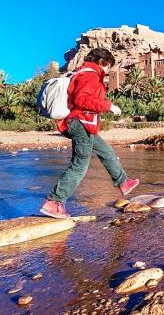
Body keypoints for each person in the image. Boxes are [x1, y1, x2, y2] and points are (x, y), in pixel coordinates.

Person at [40, 48, 139, 219]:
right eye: (109, 67)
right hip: (80, 123)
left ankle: (123, 182)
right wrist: (108, 106)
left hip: (84, 124)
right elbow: (82, 99)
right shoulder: (90, 75)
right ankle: (54, 202)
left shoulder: (85, 73)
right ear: (103, 62)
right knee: (79, 165)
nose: (108, 72)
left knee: (106, 151)